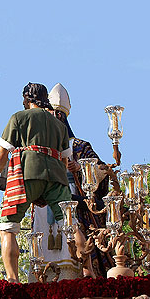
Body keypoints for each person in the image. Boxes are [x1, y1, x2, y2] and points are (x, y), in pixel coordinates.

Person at [0, 82, 72, 283]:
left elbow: (1, 154)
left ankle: (12, 280)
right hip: (57, 179)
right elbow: (64, 160)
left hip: (25, 175)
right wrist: (51, 186)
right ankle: (87, 270)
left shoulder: (19, 117)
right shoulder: (60, 126)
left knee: (7, 227)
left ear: (27, 99)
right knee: (71, 225)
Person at [48, 83, 114, 277]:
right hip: (47, 204)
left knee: (79, 246)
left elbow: (103, 170)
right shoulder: (43, 147)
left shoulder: (79, 145)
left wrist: (81, 168)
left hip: (75, 200)